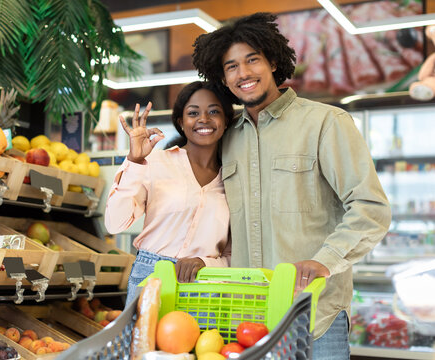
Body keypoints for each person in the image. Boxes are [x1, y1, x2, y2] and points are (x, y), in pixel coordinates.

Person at [192, 13, 392, 359]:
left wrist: (324, 261)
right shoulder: (227, 138)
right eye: (231, 66)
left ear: (272, 61)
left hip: (316, 314)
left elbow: (369, 208)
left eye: (252, 59)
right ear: (223, 78)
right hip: (248, 317)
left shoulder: (326, 123)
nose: (243, 73)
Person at [104, 81, 235, 306]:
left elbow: (235, 253)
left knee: (204, 343)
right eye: (193, 113)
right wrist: (134, 161)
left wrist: (205, 263)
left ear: (225, 122)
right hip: (151, 277)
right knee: (144, 342)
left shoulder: (233, 179)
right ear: (181, 123)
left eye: (214, 111)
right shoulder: (155, 162)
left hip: (207, 287)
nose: (204, 119)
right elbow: (114, 224)